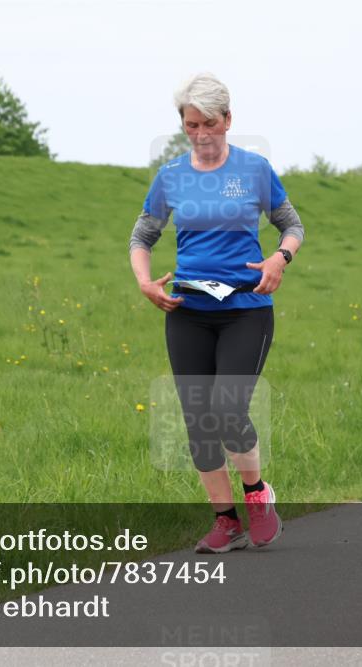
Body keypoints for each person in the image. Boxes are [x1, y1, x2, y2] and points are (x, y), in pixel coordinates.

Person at [129, 73, 305, 553]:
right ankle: (225, 521)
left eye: (210, 123)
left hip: (246, 310)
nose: (202, 134)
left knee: (228, 409)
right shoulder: (171, 177)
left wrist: (279, 259)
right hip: (187, 309)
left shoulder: (254, 170)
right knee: (197, 420)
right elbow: (142, 236)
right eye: (191, 125)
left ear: (228, 120)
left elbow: (291, 225)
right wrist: (145, 282)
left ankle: (256, 494)